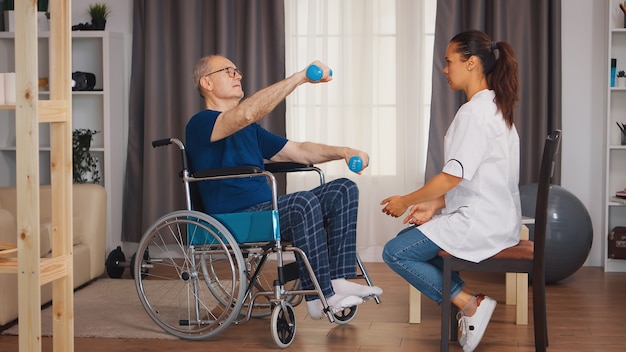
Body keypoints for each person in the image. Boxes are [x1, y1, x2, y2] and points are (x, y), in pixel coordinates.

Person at [185, 55, 383, 320]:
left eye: (237, 70)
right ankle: (317, 297)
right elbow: (245, 113)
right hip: (234, 218)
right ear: (206, 82)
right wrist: (300, 77)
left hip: (266, 212)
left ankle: (336, 280)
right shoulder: (201, 123)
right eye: (228, 71)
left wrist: (344, 151)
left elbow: (300, 151)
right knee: (302, 202)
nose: (238, 75)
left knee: (343, 190)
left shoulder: (250, 129)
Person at [380, 30, 520, 352]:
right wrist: (434, 205)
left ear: (471, 63)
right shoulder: (494, 108)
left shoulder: (476, 113)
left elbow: (451, 177)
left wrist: (407, 201)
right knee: (404, 244)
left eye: (449, 61)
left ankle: (470, 304)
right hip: (493, 215)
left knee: (395, 253)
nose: (444, 69)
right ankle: (470, 302)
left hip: (482, 221)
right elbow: (477, 178)